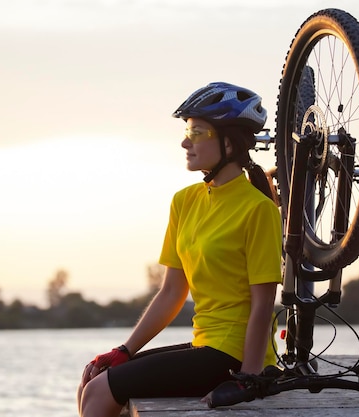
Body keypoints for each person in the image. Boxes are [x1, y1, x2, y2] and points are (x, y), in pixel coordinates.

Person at [77, 82, 283, 417]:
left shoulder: (258, 209)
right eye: (188, 130)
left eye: (197, 132)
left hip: (232, 355)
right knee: (94, 378)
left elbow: (262, 305)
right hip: (205, 346)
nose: (185, 141)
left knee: (101, 390)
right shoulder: (184, 201)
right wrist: (125, 350)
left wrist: (250, 377)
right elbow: (172, 292)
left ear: (228, 142)